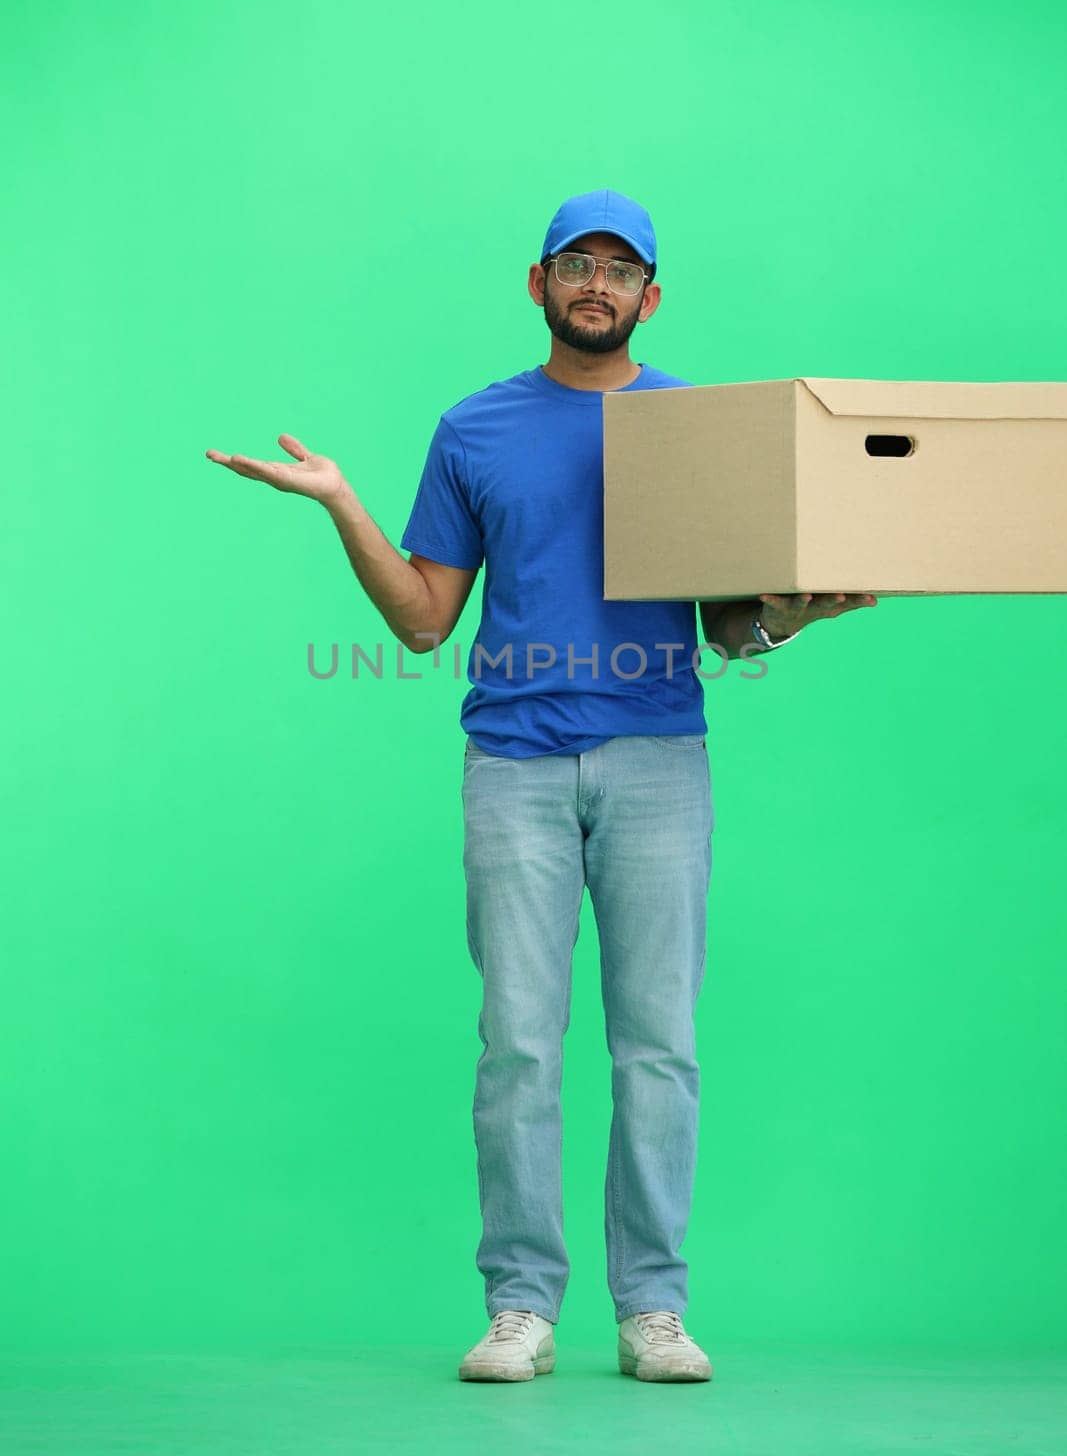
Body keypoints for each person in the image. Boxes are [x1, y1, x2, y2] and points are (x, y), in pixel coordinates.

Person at [205, 188, 876, 1385]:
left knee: (657, 1044)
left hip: (658, 757)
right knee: (517, 1042)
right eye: (578, 263)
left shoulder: (696, 426)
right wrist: (342, 506)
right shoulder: (474, 429)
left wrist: (792, 613)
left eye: (622, 269)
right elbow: (420, 622)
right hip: (511, 764)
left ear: (650, 297)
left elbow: (729, 625)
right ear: (540, 283)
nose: (598, 284)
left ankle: (651, 1311)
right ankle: (520, 1304)